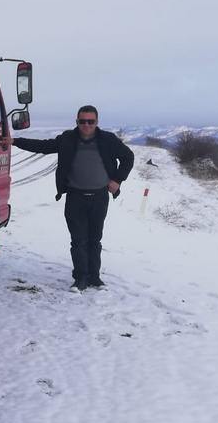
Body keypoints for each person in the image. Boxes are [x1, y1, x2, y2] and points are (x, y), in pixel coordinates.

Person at [12, 105, 134, 292]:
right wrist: (14, 141)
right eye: (82, 121)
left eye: (90, 121)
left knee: (95, 240)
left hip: (100, 198)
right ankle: (80, 279)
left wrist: (117, 179)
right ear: (77, 122)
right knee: (78, 240)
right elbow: (43, 146)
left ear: (96, 122)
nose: (86, 125)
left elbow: (128, 157)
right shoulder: (68, 139)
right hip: (75, 198)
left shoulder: (107, 140)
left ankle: (95, 277)